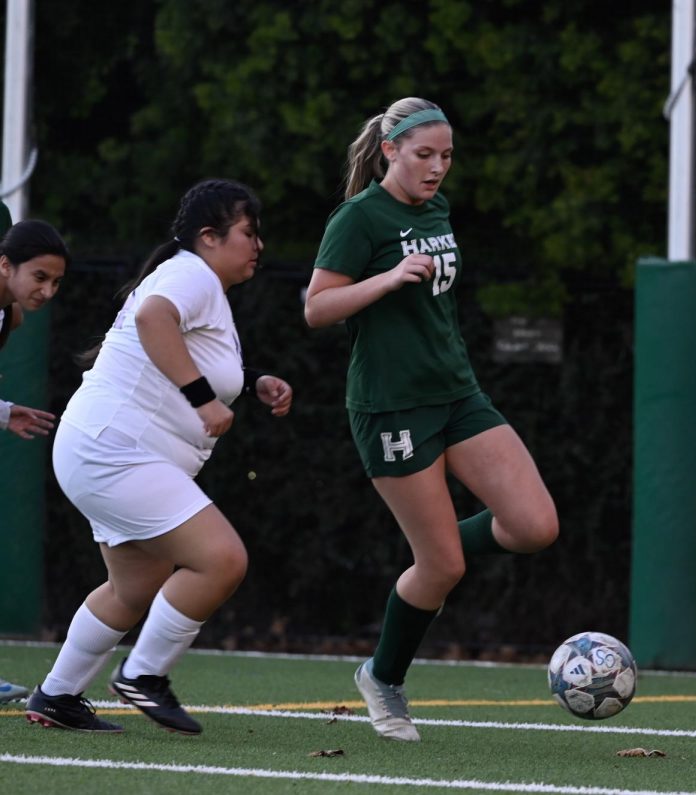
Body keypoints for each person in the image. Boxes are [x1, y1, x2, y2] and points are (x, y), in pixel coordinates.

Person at [304, 97, 558, 742]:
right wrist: (386, 280)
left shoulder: (437, 208)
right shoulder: (358, 219)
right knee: (443, 568)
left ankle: (435, 544)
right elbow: (317, 308)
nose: (437, 167)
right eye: (424, 155)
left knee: (534, 525)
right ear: (390, 151)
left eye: (446, 156)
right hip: (391, 407)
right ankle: (383, 680)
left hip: (457, 394)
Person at [25, 179, 293, 735]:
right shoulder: (191, 272)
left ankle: (56, 694)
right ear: (209, 237)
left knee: (134, 588)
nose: (258, 244)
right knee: (222, 559)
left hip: (101, 447)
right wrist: (203, 400)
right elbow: (153, 322)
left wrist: (250, 381)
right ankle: (143, 675)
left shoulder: (194, 279)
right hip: (116, 451)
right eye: (249, 232)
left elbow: (181, 349)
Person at [0, 215, 70, 705]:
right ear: (6, 265)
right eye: (39, 277)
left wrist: (5, 414)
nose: (47, 290)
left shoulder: (11, 316)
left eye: (56, 282)